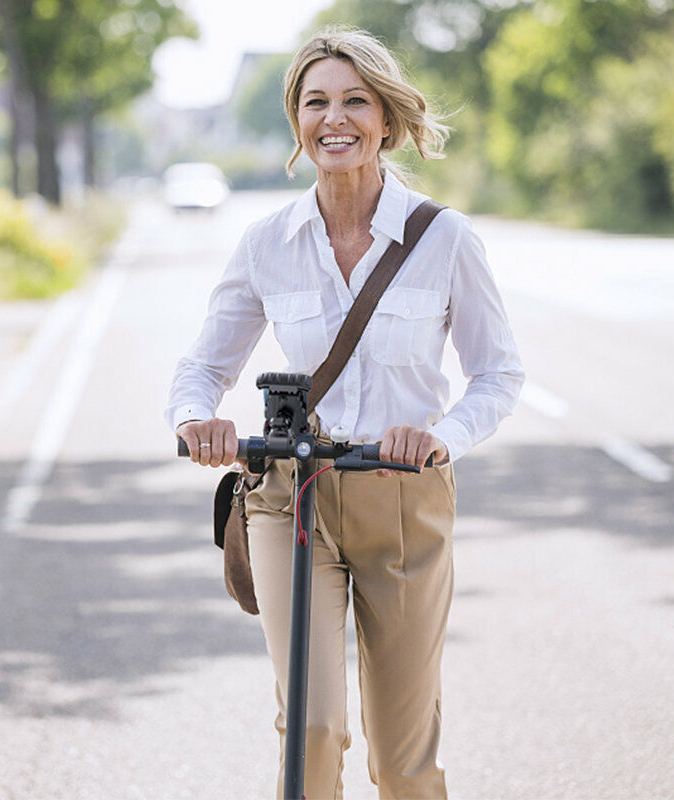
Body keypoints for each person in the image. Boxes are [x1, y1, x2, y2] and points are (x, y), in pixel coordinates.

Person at [165, 25, 524, 800]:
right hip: (289, 497)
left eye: (355, 101)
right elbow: (203, 367)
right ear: (297, 120)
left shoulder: (443, 238)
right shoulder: (268, 242)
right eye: (316, 101)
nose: (336, 118)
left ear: (387, 120)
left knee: (401, 759)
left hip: (402, 495)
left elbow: (497, 373)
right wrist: (198, 420)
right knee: (312, 730)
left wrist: (440, 438)